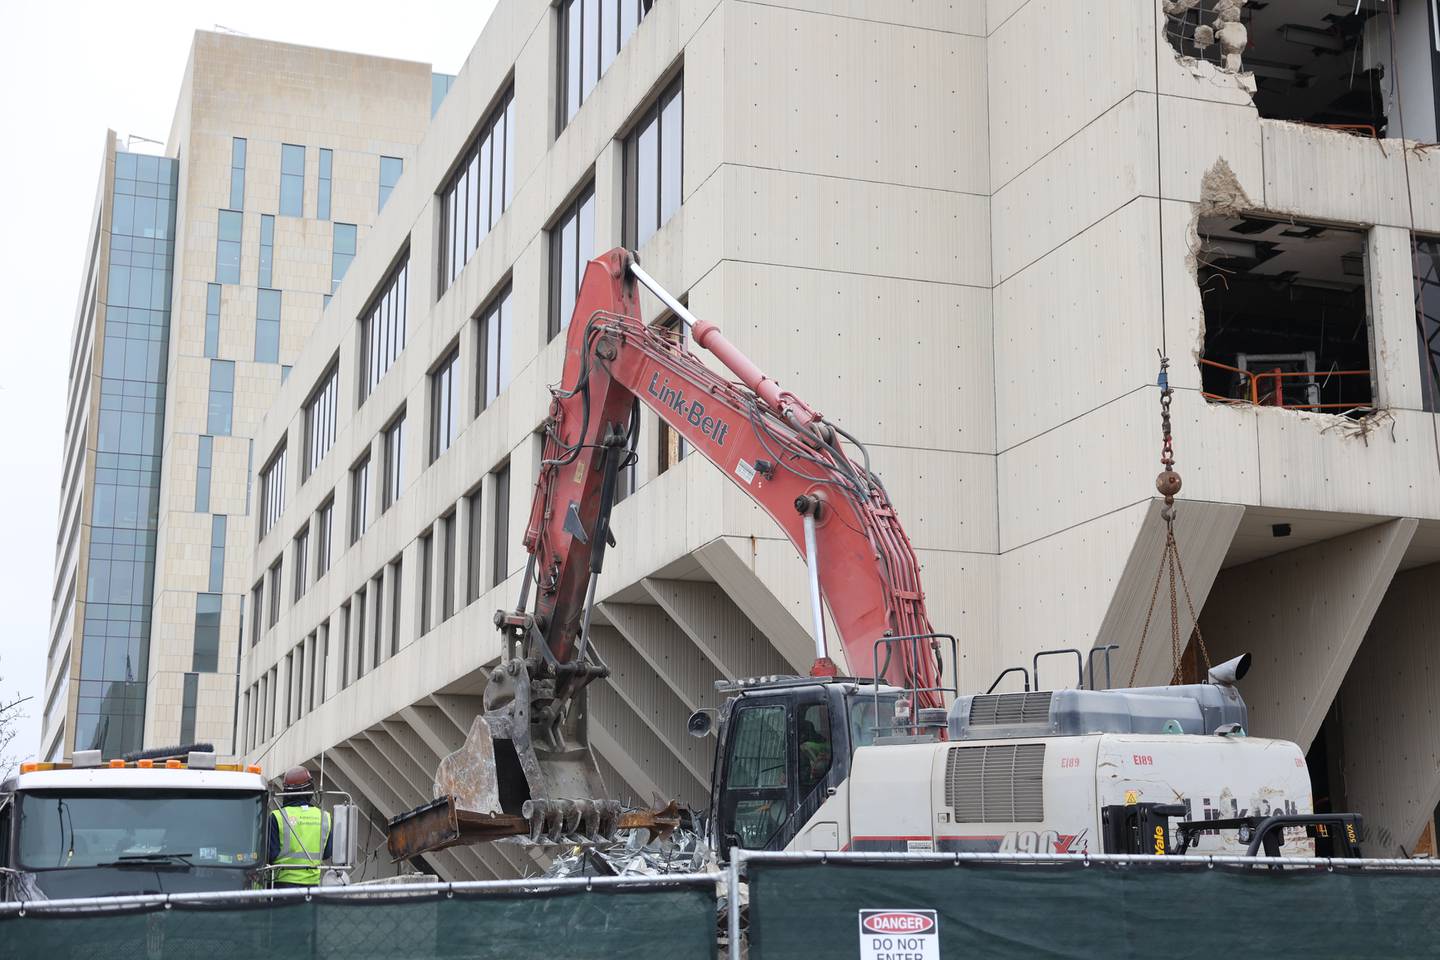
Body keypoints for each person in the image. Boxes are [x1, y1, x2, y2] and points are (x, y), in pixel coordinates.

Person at [266, 766, 332, 887]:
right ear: (310, 790)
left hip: (282, 885)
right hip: (313, 885)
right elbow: (327, 853)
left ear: (286, 792)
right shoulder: (325, 817)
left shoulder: (278, 816)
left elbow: (270, 855)